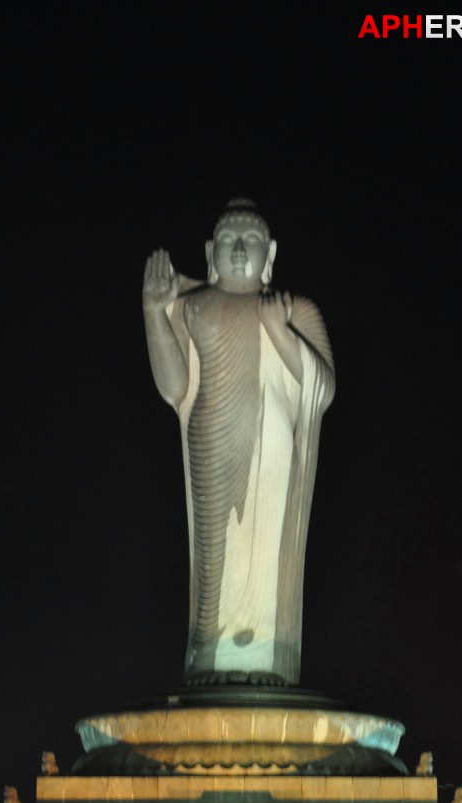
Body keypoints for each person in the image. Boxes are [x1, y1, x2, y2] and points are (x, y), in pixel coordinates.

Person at [143, 199, 334, 686]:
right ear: (211, 251)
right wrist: (152, 312)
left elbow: (322, 386)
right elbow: (173, 387)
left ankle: (267, 660)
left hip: (272, 449)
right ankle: (210, 656)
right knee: (214, 556)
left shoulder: (294, 308)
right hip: (210, 435)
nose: (241, 249)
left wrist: (278, 330)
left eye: (250, 241)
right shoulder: (191, 305)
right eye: (229, 240)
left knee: (267, 551)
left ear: (270, 253)